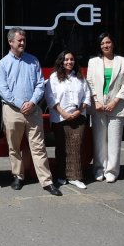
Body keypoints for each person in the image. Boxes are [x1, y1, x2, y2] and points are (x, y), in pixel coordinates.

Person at [0, 27, 61, 196]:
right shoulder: (2, 64)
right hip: (12, 110)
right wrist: (20, 103)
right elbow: (2, 89)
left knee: (39, 147)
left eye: (24, 40)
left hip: (33, 110)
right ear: (10, 42)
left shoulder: (33, 61)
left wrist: (32, 102)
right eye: (20, 40)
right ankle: (18, 176)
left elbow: (40, 84)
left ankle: (47, 181)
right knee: (14, 147)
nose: (23, 43)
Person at [87, 32, 124, 183]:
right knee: (99, 141)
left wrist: (114, 102)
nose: (105, 45)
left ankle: (112, 171)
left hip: (116, 106)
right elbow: (90, 83)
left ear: (113, 44)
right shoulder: (93, 62)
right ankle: (99, 169)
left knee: (114, 141)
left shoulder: (123, 61)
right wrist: (96, 101)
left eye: (108, 42)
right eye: (102, 43)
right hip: (98, 106)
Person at [45, 50, 91, 189]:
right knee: (61, 147)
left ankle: (75, 177)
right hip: (60, 118)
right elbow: (50, 97)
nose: (69, 62)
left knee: (76, 147)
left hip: (78, 117)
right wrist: (63, 113)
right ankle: (62, 176)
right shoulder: (54, 77)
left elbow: (87, 96)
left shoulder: (80, 77)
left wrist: (79, 111)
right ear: (61, 61)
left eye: (71, 59)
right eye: (66, 59)